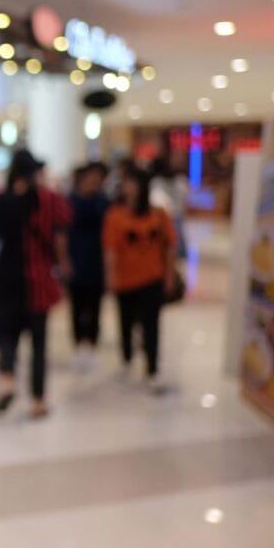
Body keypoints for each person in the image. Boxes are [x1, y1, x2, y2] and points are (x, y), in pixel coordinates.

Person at [0, 150, 71, 419]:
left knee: (7, 335)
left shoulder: (3, 200)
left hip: (7, 276)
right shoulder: (48, 200)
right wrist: (62, 264)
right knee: (38, 343)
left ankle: (8, 380)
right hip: (37, 278)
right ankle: (37, 399)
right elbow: (60, 233)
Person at [103, 164, 178, 394]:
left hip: (151, 278)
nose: (129, 187)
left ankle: (152, 368)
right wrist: (111, 278)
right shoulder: (115, 215)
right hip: (126, 281)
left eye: (133, 182)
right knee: (126, 323)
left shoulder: (158, 214)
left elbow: (170, 246)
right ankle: (127, 358)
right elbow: (110, 250)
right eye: (126, 182)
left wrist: (169, 275)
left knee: (151, 326)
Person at [67, 162, 110, 369]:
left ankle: (92, 345)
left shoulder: (104, 203)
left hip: (97, 263)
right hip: (77, 261)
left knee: (94, 308)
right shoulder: (70, 202)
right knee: (76, 308)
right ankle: (78, 345)